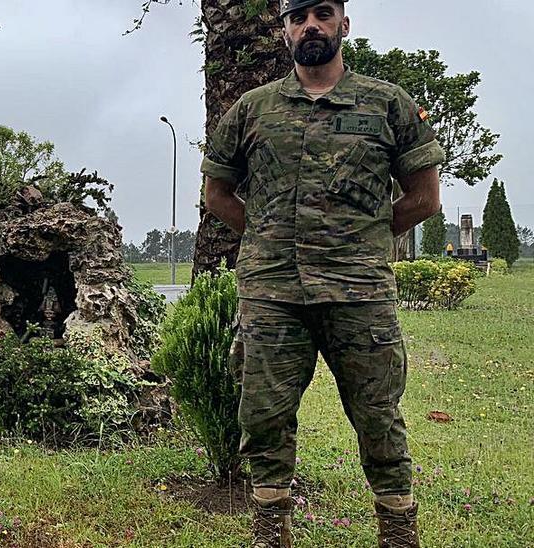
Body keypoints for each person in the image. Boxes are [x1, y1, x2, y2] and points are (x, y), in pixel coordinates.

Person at [200, 1, 443, 547]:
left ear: (343, 25)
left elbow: (423, 197)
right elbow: (217, 194)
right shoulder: (251, 110)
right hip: (272, 294)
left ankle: (398, 531)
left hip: (360, 294)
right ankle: (270, 530)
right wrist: (267, 235)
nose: (310, 25)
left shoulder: (388, 105)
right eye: (298, 16)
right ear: (284, 29)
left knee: (378, 417)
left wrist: (363, 240)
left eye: (324, 13)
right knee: (263, 416)